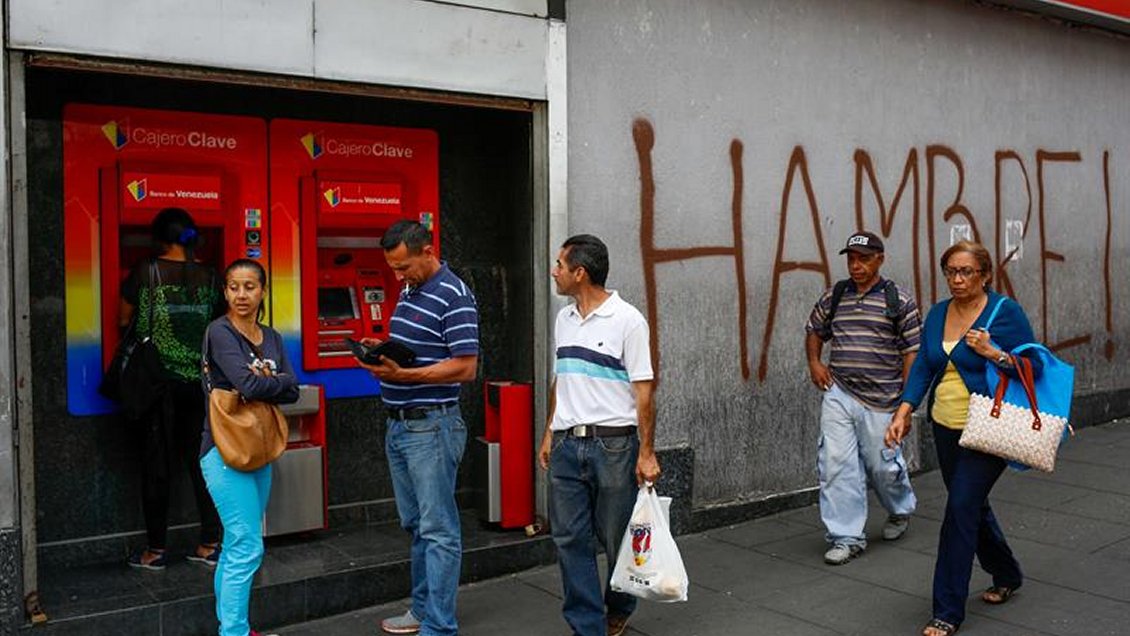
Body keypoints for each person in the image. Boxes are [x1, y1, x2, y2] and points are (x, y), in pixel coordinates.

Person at [885, 241, 1038, 636]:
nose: (957, 279)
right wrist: (905, 409)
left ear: (985, 274)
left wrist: (994, 352)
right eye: (951, 271)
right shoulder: (938, 313)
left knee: (959, 510)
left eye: (966, 271)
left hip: (990, 427)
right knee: (971, 506)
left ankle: (947, 609)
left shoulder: (1004, 313)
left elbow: (1033, 365)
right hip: (946, 425)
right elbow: (922, 365)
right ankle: (1006, 573)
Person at [358, 220, 479, 636]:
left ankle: (439, 626)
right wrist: (382, 353)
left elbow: (466, 366)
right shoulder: (412, 289)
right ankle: (424, 610)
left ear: (428, 250)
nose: (397, 276)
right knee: (417, 527)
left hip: (432, 427)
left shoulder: (455, 296)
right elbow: (419, 351)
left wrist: (405, 378)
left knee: (439, 530)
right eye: (392, 268)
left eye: (404, 266)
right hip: (401, 427)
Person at [537, 234, 661, 636]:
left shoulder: (628, 320)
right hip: (567, 444)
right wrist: (548, 432)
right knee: (569, 539)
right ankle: (587, 626)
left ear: (580, 272)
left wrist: (647, 452)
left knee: (617, 536)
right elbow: (562, 379)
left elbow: (644, 392)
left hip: (614, 445)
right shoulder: (564, 319)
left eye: (559, 265)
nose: (553, 272)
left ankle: (620, 605)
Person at [804, 231, 921, 565]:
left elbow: (913, 352)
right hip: (840, 392)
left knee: (882, 466)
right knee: (836, 464)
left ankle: (900, 509)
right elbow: (814, 329)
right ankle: (846, 536)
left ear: (879, 259)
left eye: (864, 259)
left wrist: (906, 404)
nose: (856, 265)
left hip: (884, 400)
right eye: (851, 259)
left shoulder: (898, 299)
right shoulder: (836, 295)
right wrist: (815, 362)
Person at [200, 258, 299, 636]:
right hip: (223, 451)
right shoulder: (220, 332)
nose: (242, 295)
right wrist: (265, 380)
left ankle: (233, 627)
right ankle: (235, 633)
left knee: (235, 546)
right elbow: (257, 384)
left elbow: (291, 389)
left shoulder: (271, 336)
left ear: (263, 291)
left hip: (259, 446)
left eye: (250, 287)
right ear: (225, 291)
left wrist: (262, 382)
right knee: (247, 545)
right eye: (234, 287)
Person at [123, 207, 223, 570]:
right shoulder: (211, 276)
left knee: (157, 466)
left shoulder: (146, 271)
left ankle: (156, 550)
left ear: (159, 237)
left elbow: (124, 320)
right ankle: (210, 543)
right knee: (202, 463)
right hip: (199, 383)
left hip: (157, 384)